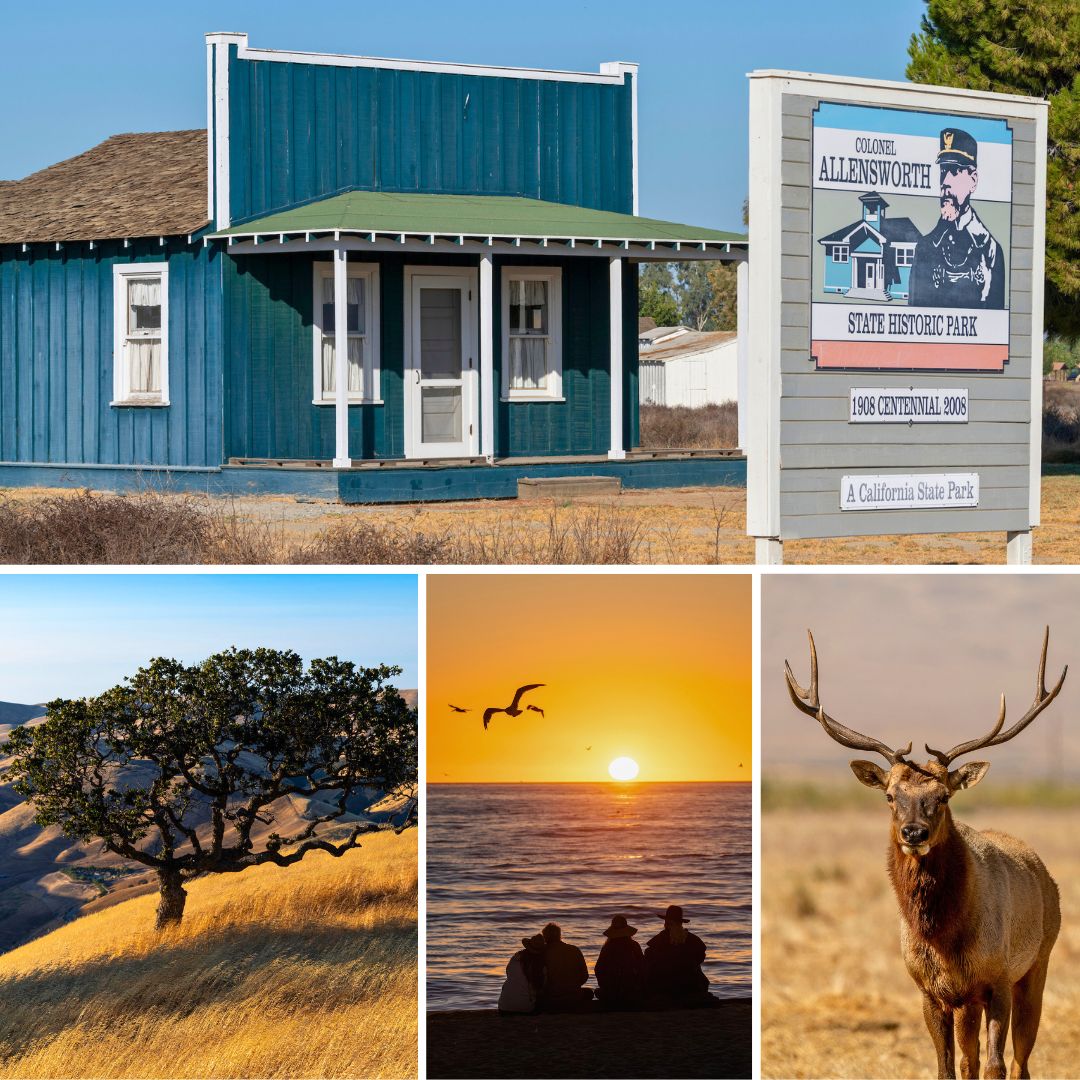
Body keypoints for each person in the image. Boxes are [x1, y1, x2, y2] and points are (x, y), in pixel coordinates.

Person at [908, 127, 1006, 310]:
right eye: (943, 170)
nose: (945, 181)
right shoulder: (925, 246)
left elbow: (996, 323)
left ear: (973, 180)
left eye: (954, 171)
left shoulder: (990, 250)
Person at [644, 904, 715, 1008]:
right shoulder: (693, 940)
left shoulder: (658, 940)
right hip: (689, 984)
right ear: (681, 923)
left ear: (666, 923)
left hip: (663, 985)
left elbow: (648, 959)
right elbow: (700, 957)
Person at [538, 921, 593, 1011]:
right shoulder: (574, 949)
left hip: (553, 997)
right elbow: (584, 976)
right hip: (574, 996)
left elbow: (538, 979)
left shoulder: (542, 952)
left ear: (545, 937)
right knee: (589, 992)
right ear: (560, 935)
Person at [595, 914, 646, 1010]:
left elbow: (598, 969)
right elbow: (642, 967)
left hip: (612, 993)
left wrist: (605, 986)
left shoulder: (608, 947)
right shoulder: (634, 946)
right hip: (632, 993)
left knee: (596, 992)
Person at [497, 933, 547, 1015]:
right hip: (525, 1009)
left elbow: (508, 974)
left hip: (503, 1007)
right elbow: (542, 988)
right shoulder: (540, 965)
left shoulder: (515, 957)